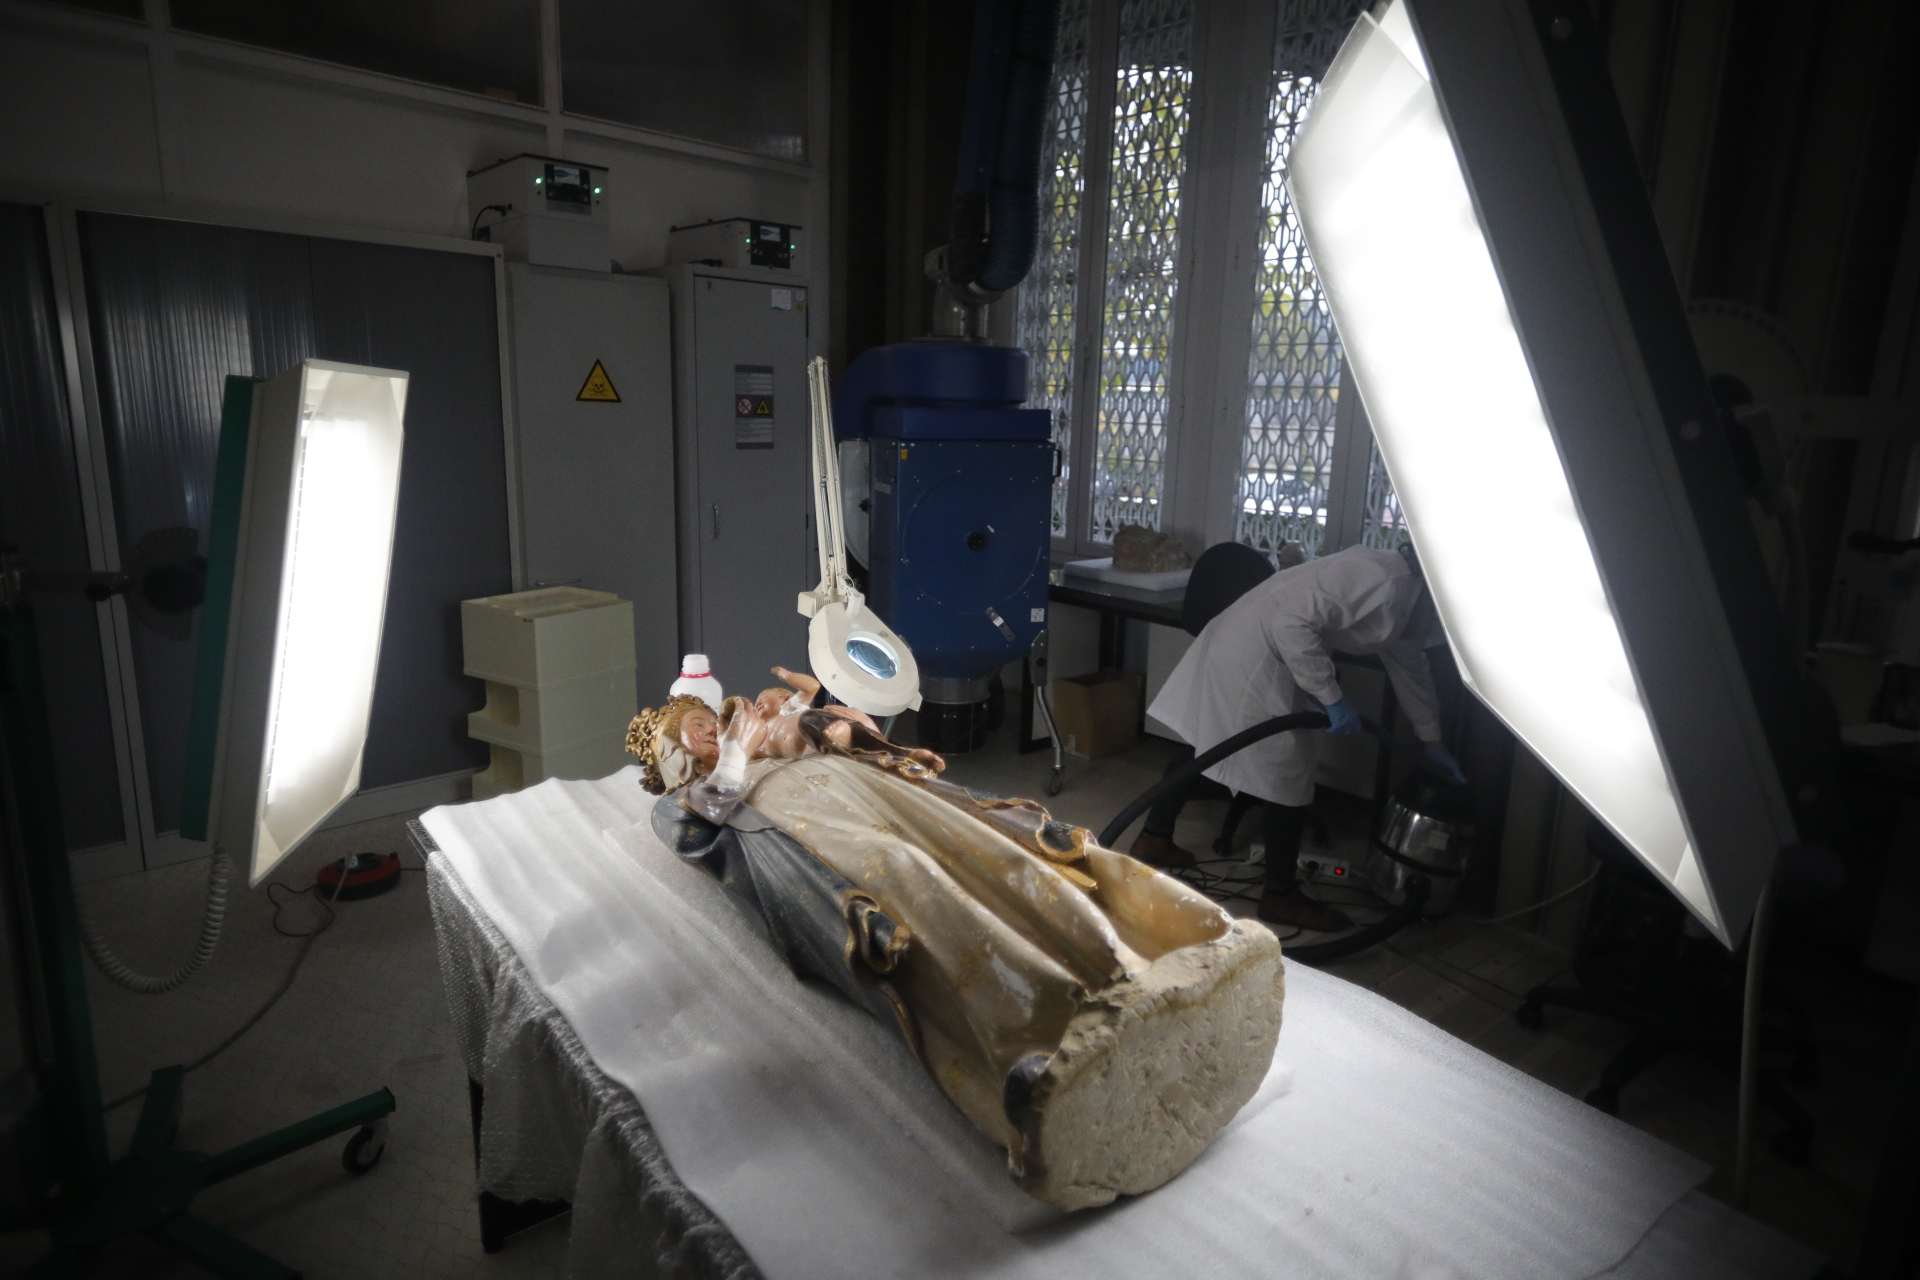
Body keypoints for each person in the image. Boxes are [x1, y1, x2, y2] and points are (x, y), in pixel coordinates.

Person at [626, 667, 1284, 1210]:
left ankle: (1130, 966)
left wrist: (819, 713)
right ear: (674, 758)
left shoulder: (776, 740)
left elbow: (862, 739)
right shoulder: (684, 800)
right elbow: (703, 831)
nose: (712, 729)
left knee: (1007, 862)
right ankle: (1048, 1033)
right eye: (694, 731)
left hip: (884, 796)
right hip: (823, 834)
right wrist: (740, 751)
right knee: (918, 887)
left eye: (710, 719)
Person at [1137, 543, 1464, 932]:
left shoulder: (1408, 600)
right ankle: (1280, 896)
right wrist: (1332, 697)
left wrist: (1432, 740)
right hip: (1256, 652)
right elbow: (1290, 624)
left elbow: (1411, 670)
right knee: (1284, 774)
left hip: (1253, 644)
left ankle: (1154, 837)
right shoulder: (1381, 577)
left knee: (1213, 746)